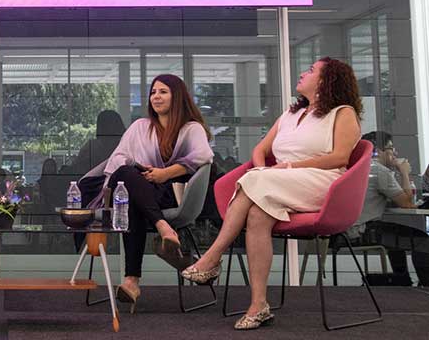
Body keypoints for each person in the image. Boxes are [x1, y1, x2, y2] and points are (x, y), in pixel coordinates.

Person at [182, 57, 363, 330]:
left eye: (311, 70)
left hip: (322, 183)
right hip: (279, 181)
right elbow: (260, 150)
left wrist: (288, 167)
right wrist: (263, 171)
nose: (303, 73)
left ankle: (213, 256)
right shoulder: (289, 115)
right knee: (256, 214)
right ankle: (259, 305)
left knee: (256, 183)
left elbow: (339, 157)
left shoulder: (342, 113)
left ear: (327, 81)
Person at [79, 74, 213, 312]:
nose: (156, 97)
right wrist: (138, 169)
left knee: (130, 195)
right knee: (126, 178)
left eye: (163, 92)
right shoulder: (140, 127)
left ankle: (133, 280)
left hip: (170, 192)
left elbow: (202, 157)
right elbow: (119, 158)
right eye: (153, 92)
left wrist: (165, 173)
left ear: (177, 96)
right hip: (140, 190)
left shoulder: (191, 128)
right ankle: (161, 231)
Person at [345, 132, 429, 285]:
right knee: (421, 239)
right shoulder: (380, 171)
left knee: (396, 236)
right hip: (361, 231)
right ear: (379, 150)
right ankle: (425, 284)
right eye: (391, 148)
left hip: (344, 230)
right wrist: (404, 172)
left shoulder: (357, 167)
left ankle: (402, 279)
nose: (395, 152)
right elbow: (408, 204)